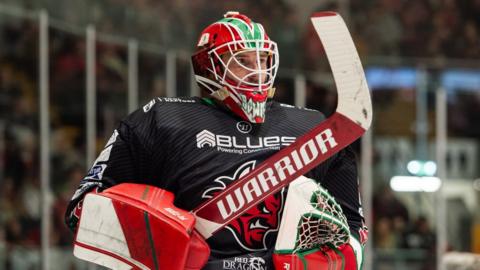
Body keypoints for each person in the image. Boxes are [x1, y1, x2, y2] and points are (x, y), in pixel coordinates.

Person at [65, 11, 367, 269]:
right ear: (209, 66)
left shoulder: (311, 128)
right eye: (242, 61)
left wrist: (336, 257)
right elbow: (84, 209)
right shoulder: (161, 120)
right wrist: (159, 234)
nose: (257, 72)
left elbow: (354, 226)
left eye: (262, 60)